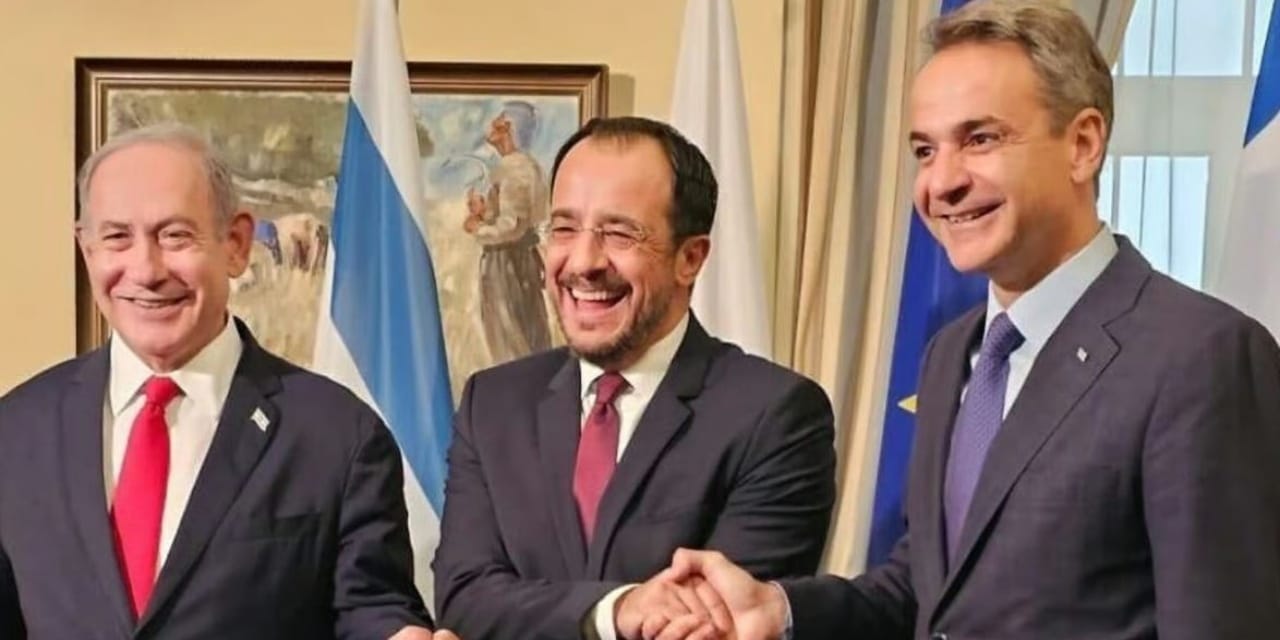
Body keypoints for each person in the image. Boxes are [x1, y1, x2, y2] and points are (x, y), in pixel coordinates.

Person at [664, 1, 1280, 638]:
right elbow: (932, 592)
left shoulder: (1201, 357)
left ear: (1083, 144)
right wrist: (780, 610)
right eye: (925, 150)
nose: (941, 183)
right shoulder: (951, 353)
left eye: (980, 139)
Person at [0, 123, 460, 640]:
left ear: (237, 244)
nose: (146, 270)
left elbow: (371, 609)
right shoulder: (15, 431)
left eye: (175, 235)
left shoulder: (338, 435)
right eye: (116, 238)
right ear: (87, 250)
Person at [432, 116, 837, 640]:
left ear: (690, 258)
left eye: (620, 233)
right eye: (564, 228)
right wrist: (617, 610)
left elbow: (713, 624)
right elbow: (465, 598)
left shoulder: (775, 415)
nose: (583, 262)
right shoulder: (493, 403)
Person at [464, 101, 554, 363]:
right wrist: (485, 212)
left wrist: (479, 229)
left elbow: (512, 227)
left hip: (507, 264)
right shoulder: (521, 166)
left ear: (509, 128)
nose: (492, 123)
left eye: (500, 119)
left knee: (510, 339)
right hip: (516, 261)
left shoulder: (515, 168)